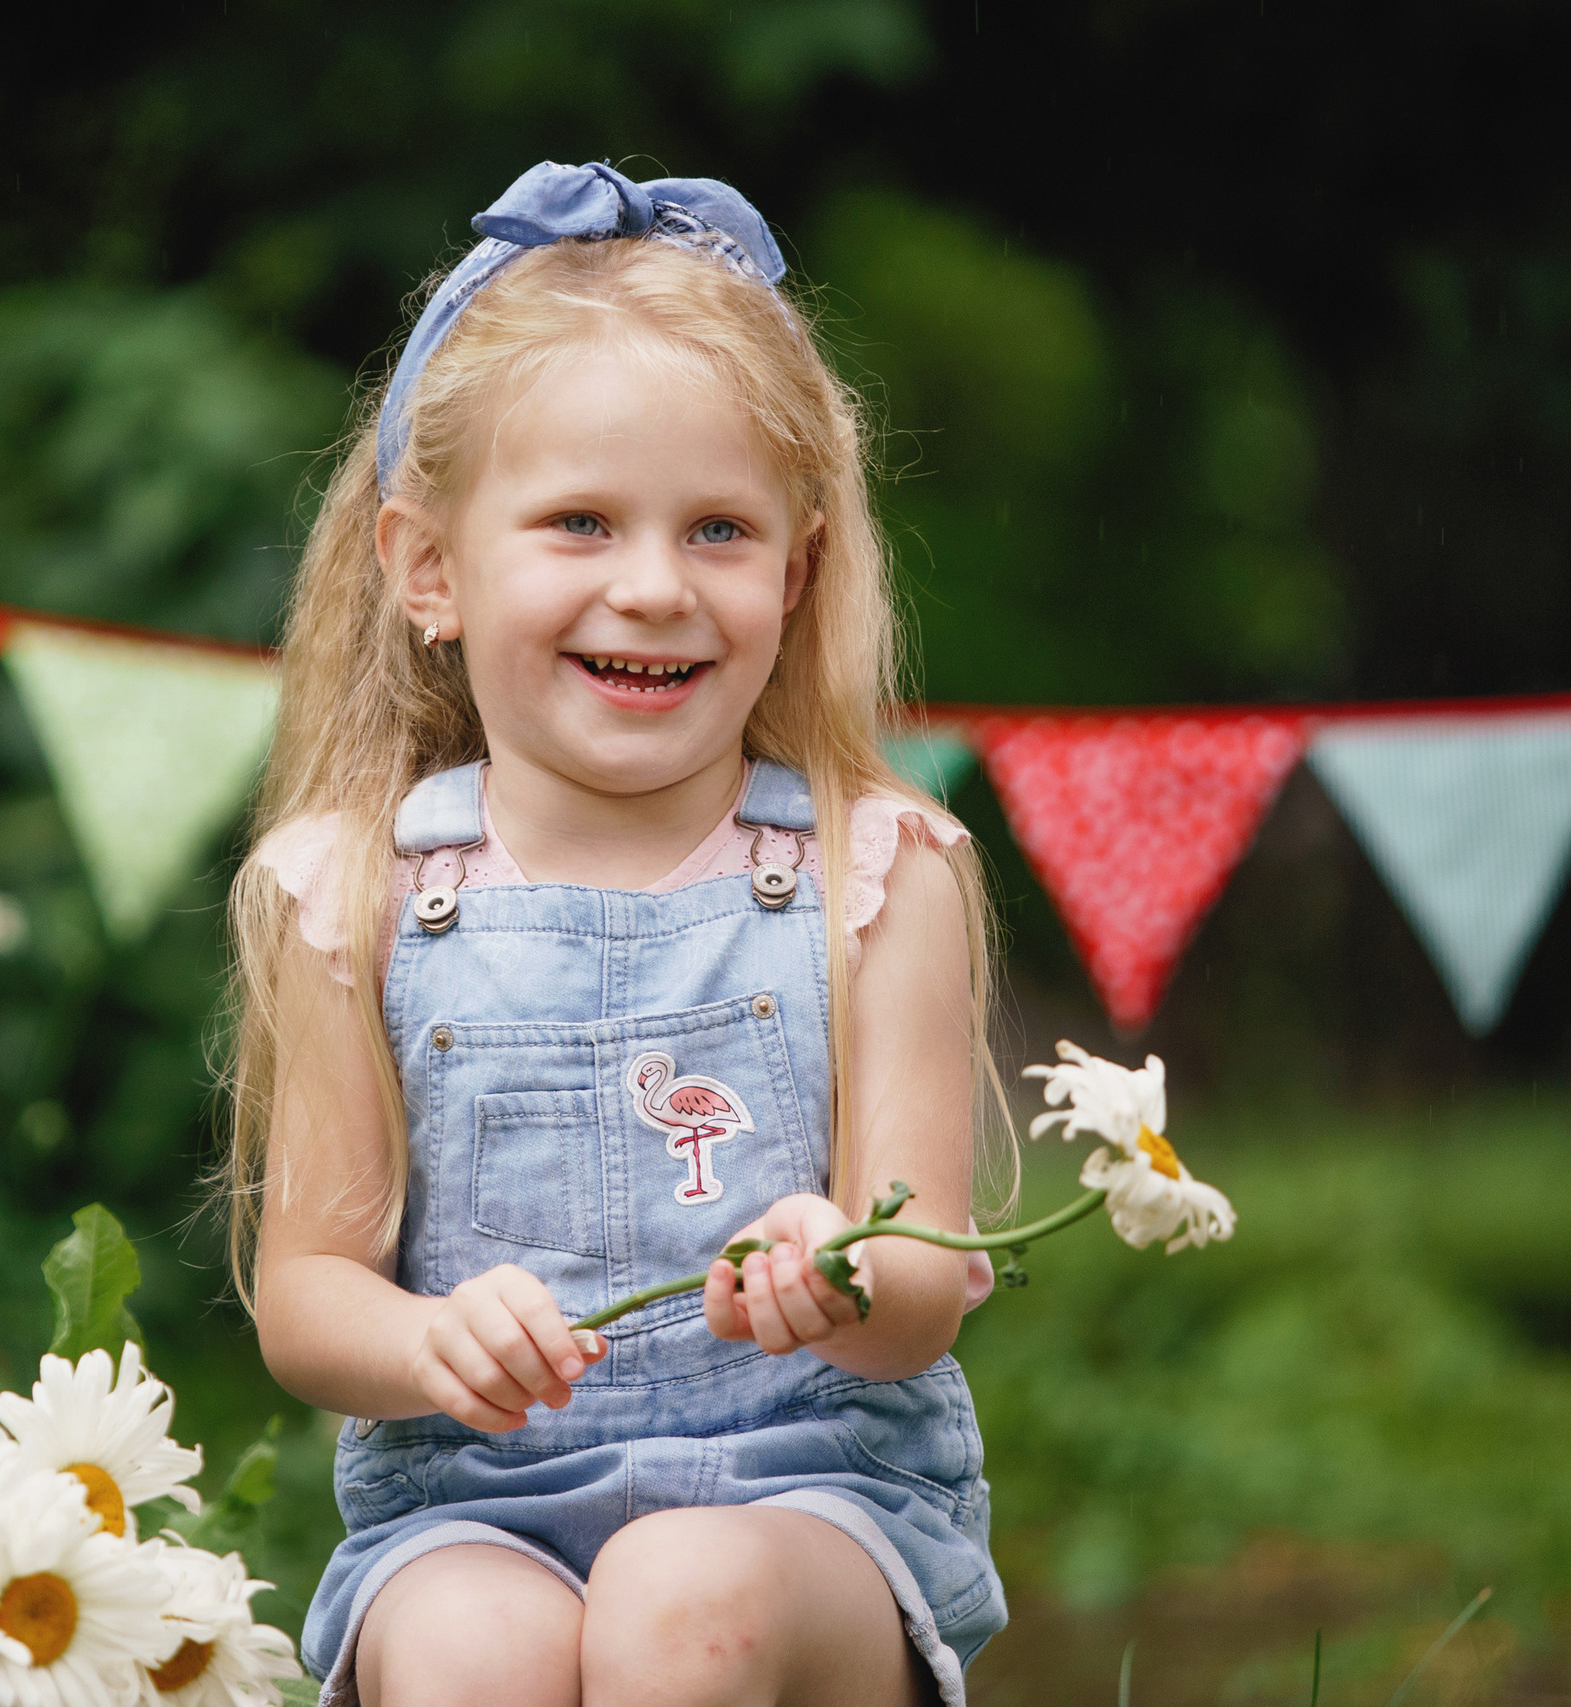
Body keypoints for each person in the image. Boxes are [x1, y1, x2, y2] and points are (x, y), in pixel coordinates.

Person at [220, 161, 1016, 1707]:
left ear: (796, 573)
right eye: (581, 522)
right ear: (428, 570)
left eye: (718, 531)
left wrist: (843, 1273)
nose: (651, 588)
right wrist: (425, 1345)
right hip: (474, 1502)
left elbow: (923, 1279)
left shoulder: (875, 872)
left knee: (677, 1598)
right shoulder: (352, 895)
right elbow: (308, 1294)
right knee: (463, 1648)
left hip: (815, 1501)